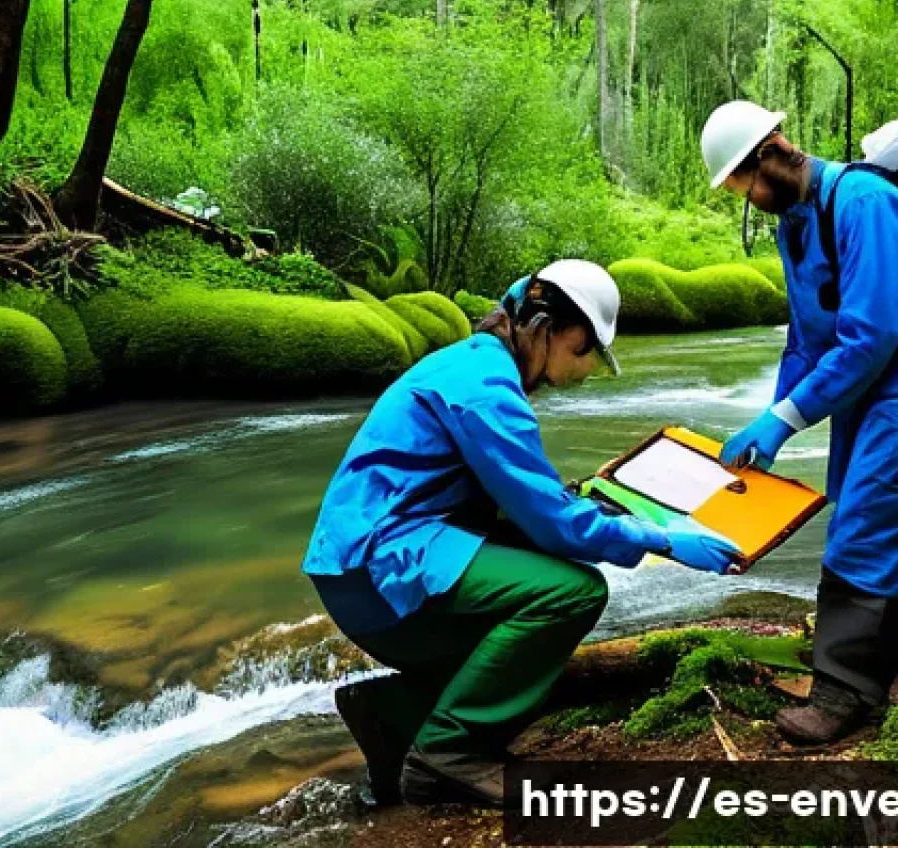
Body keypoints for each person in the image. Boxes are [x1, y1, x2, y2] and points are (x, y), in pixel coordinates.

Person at [301, 260, 740, 808]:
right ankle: (448, 752)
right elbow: (554, 527)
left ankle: (395, 715)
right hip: (380, 568)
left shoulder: (473, 365)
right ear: (546, 328)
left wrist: (584, 507)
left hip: (358, 567)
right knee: (572, 592)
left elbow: (522, 503)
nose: (582, 372)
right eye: (584, 353)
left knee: (518, 619)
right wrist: (662, 540)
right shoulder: (487, 390)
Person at [702, 100, 898, 745]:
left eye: (744, 183)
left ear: (773, 152)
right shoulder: (793, 223)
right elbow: (807, 341)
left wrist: (786, 420)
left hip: (890, 387)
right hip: (858, 396)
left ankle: (844, 692)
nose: (747, 198)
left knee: (862, 534)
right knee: (856, 513)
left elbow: (871, 335)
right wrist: (770, 418)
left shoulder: (863, 200)